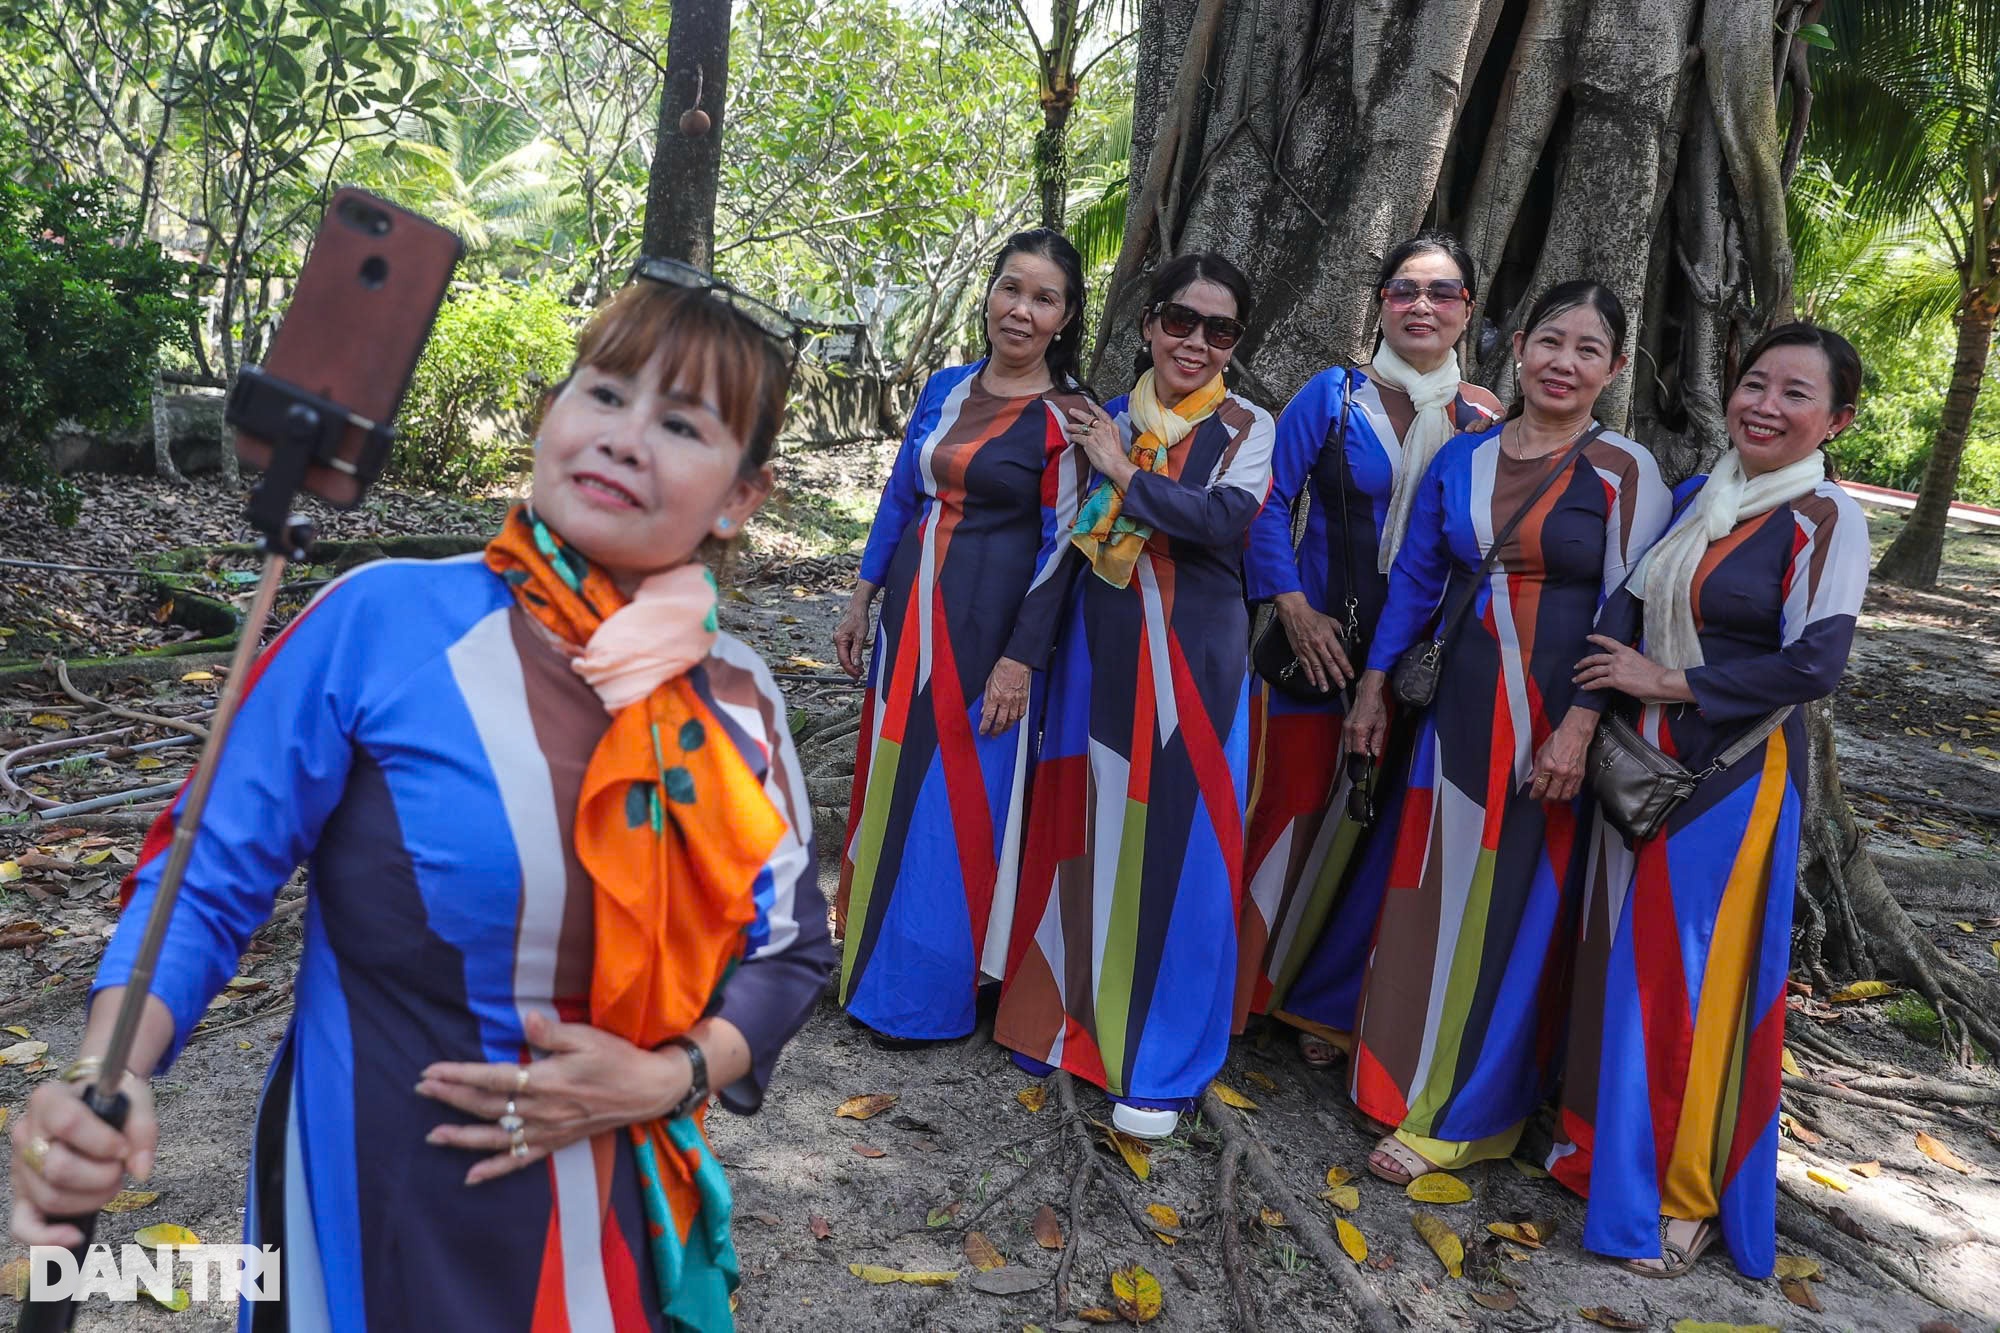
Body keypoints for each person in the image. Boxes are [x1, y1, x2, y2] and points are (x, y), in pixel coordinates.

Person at [7, 263, 835, 1331]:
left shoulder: (737, 702)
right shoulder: (379, 621)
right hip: (366, 1201)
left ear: (740, 497)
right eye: (604, 390)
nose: (625, 436)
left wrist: (671, 1075)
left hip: (616, 1220)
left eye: (680, 422)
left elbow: (789, 947)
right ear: (551, 412)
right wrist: (99, 1072)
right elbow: (202, 878)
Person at [1552, 324, 1868, 1280]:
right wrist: (1594, 701)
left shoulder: (1824, 517)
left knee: (1696, 984)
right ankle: (1602, 1157)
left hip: (1733, 772)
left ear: (1837, 420)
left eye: (1796, 394)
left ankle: (1679, 1199)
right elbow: (1629, 599)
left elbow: (1816, 662)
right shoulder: (1700, 494)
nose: (1766, 405)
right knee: (1625, 966)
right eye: (1755, 383)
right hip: (1638, 765)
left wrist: (1669, 684)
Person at [1343, 279, 1670, 1185]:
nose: (1565, 363)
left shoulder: (1624, 469)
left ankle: (1469, 1111)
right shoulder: (1467, 454)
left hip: (1550, 718)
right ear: (1518, 345)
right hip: (1456, 706)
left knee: (1515, 905)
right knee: (1434, 883)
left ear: (1615, 368)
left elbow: (1627, 606)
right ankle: (1400, 1071)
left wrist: (1575, 728)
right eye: (1551, 341)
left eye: (1589, 349)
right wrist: (1374, 687)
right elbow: (1415, 578)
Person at [994, 252, 1274, 1139]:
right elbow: (1061, 548)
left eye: (1218, 329)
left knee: (1182, 851)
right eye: (1180, 322)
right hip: (1100, 653)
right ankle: (1068, 1018)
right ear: (1149, 324)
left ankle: (1162, 1058)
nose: (1195, 342)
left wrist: (1123, 473)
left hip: (1196, 662)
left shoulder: (1246, 427)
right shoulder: (1102, 419)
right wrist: (1022, 657)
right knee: (1092, 829)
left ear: (1235, 342)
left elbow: (1221, 523)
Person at [1236, 230, 1501, 1069]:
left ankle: (1326, 1004)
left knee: (1381, 829)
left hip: (1426, 660)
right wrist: (1294, 607)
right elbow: (1269, 501)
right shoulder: (1334, 395)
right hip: (1322, 647)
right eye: (1404, 290)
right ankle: (1243, 988)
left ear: (1468, 311)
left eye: (1444, 292)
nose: (1422, 306)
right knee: (1293, 808)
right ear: (1380, 302)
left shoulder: (1485, 419)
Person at [831, 229, 1095, 1048]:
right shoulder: (944, 388)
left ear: (1066, 316)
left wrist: (1022, 657)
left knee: (956, 809)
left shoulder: (1069, 419)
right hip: (907, 622)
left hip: (987, 639)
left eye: (1043, 297)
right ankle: (864, 968)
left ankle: (925, 998)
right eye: (1011, 289)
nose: (1021, 309)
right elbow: (897, 498)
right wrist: (861, 594)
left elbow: (1065, 548)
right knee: (889, 789)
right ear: (990, 294)